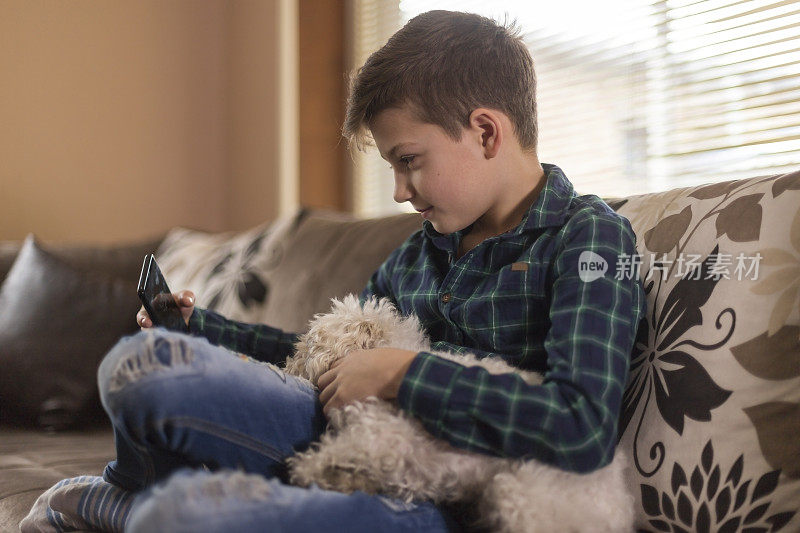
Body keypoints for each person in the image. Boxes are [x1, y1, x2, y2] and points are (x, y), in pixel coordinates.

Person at [21, 9, 646, 533]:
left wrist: (405, 375)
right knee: (144, 365)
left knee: (183, 514)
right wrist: (204, 329)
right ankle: (129, 488)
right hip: (339, 435)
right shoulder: (425, 246)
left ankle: (135, 507)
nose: (400, 191)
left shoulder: (587, 238)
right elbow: (325, 356)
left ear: (485, 132)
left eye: (409, 161)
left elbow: (581, 425)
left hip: (435, 500)